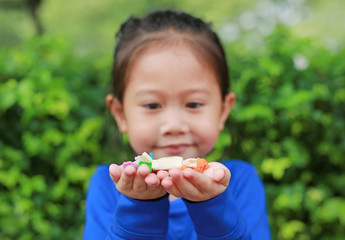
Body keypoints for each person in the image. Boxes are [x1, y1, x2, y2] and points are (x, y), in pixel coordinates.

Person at [83, 10, 271, 240]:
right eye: (152, 105)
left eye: (193, 104)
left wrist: (212, 205)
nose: (173, 125)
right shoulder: (107, 186)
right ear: (121, 114)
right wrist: (141, 205)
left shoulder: (240, 181)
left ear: (223, 110)